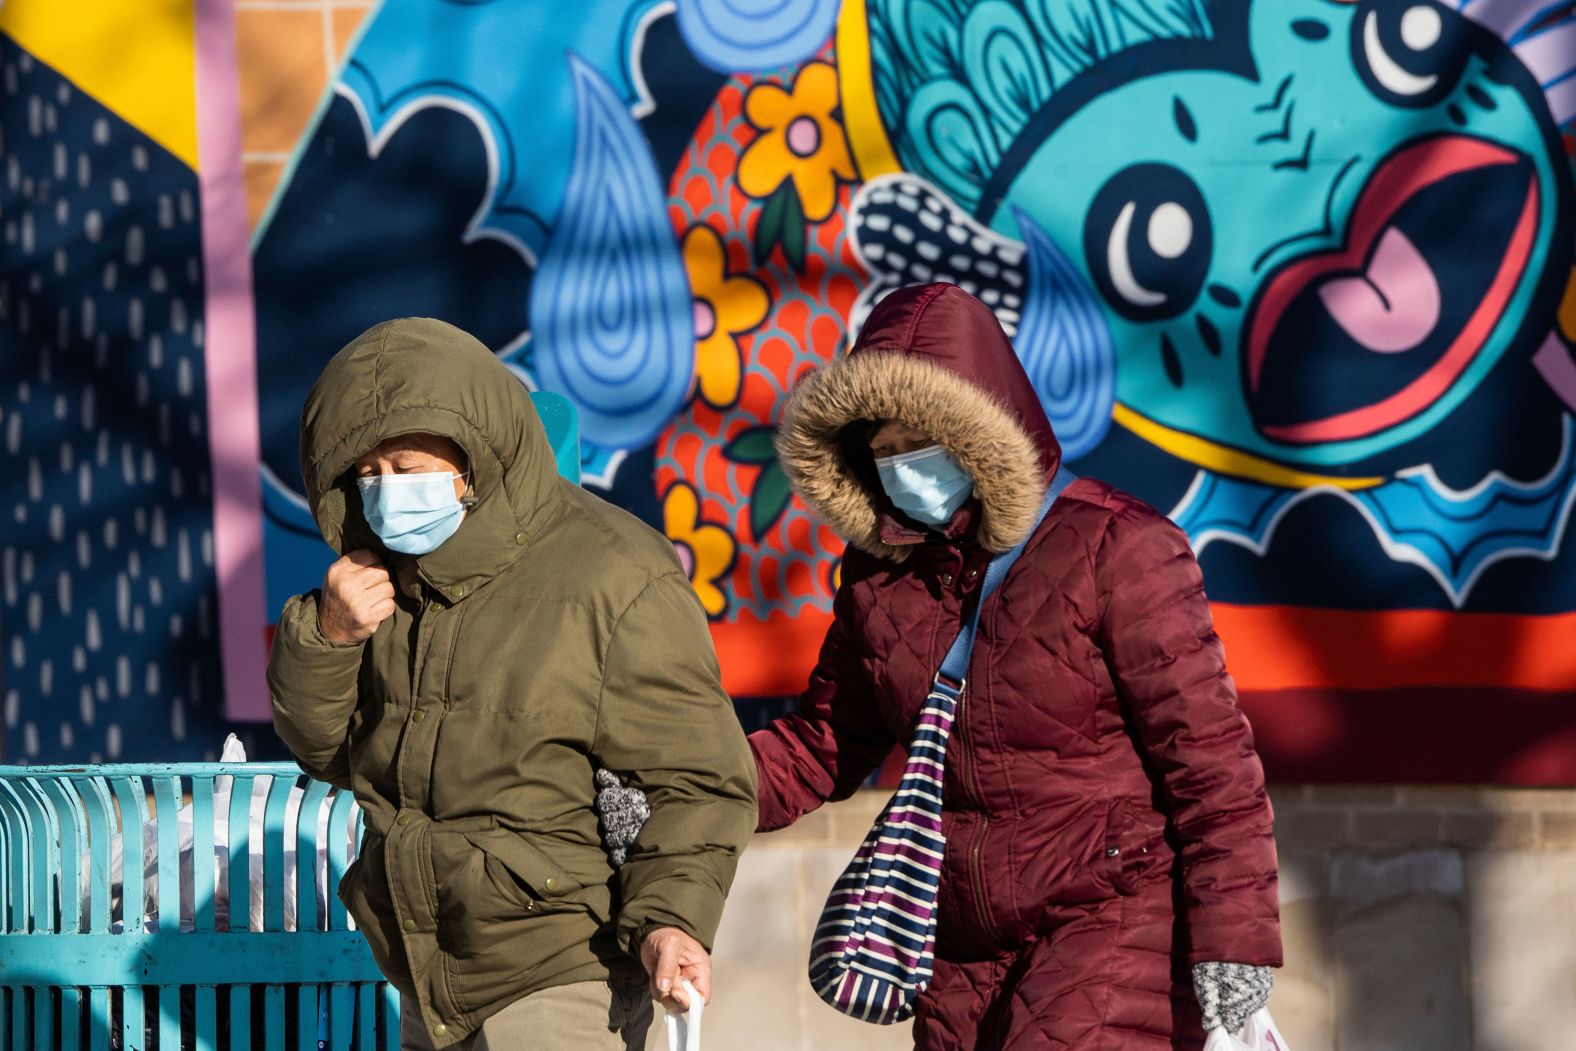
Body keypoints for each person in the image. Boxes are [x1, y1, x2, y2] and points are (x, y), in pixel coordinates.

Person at [750, 284, 1282, 1049]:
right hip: (957, 947)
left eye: (921, 440)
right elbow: (821, 743)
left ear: (978, 425)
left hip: (1112, 915)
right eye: (885, 448)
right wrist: (679, 784)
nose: (903, 465)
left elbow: (1211, 764)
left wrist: (1234, 936)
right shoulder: (880, 577)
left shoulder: (1117, 548)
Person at [267, 317, 757, 1050]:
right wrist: (328, 641)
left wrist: (671, 919)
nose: (387, 492)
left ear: (472, 456)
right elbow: (329, 751)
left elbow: (694, 778)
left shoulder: (611, 571)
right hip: (426, 973)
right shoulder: (378, 582)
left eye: (407, 465)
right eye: (366, 474)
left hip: (564, 969)